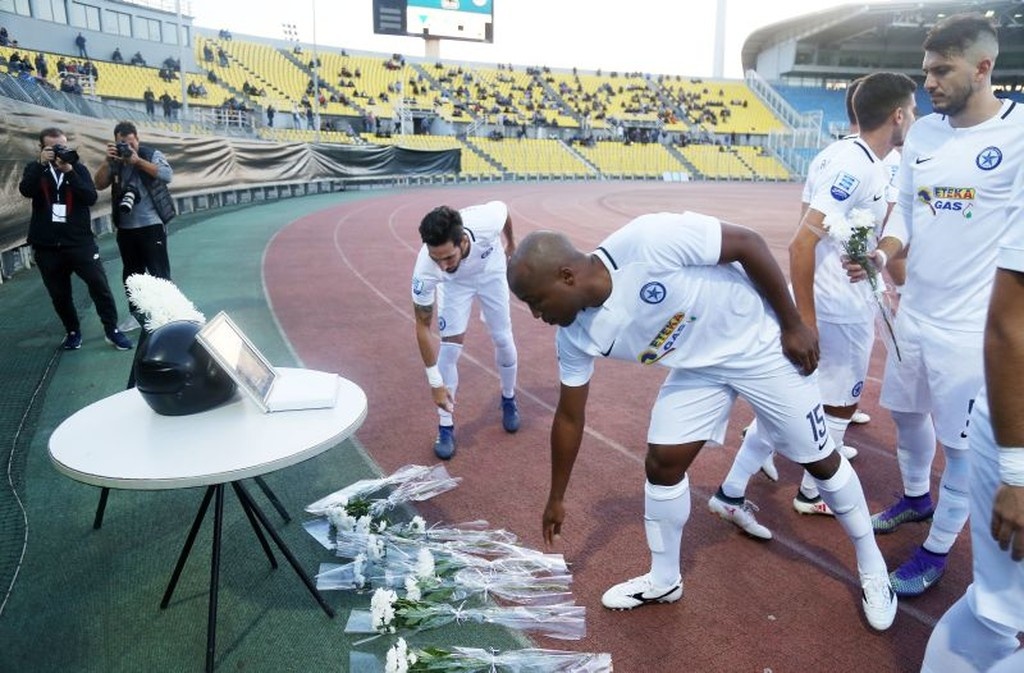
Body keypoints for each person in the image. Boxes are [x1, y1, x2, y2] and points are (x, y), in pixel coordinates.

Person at [507, 217, 897, 631]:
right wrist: (557, 496)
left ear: (566, 276)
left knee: (820, 462)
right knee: (662, 463)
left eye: (536, 301)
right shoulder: (574, 335)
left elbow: (749, 241)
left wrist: (792, 323)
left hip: (759, 345)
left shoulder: (648, 241)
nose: (536, 315)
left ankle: (874, 569)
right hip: (700, 367)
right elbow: (569, 416)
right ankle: (664, 580)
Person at [845, 13, 1024, 597]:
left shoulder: (1019, 136)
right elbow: (906, 219)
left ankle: (938, 548)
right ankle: (917, 498)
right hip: (913, 314)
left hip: (971, 333)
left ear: (983, 67)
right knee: (906, 415)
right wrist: (881, 253)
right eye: (926, 72)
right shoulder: (922, 137)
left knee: (962, 447)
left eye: (943, 70)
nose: (931, 83)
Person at [721, 72, 917, 519]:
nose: (916, 119)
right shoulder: (859, 165)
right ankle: (812, 492)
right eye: (914, 111)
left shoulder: (838, 153)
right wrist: (803, 321)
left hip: (832, 299)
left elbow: (818, 227)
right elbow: (801, 242)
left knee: (791, 396)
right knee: (842, 400)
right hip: (837, 307)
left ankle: (732, 489)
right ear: (899, 115)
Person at [920, 161, 1024, 673]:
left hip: (1002, 425)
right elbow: (1008, 326)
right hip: (1013, 430)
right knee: (997, 609)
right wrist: (1017, 473)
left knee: (995, 610)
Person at [412, 203, 521, 459]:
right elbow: (422, 327)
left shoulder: (487, 220)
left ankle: (508, 399)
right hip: (455, 286)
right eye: (435, 258)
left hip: (491, 273)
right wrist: (435, 383)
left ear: (462, 241)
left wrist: (511, 243)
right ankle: (445, 426)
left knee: (503, 339)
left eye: (448, 257)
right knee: (449, 349)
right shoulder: (428, 269)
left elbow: (504, 211)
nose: (442, 265)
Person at [18, 127, 132, 351]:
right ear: (42, 149)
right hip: (47, 245)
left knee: (100, 285)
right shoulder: (35, 169)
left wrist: (69, 171)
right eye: (52, 148)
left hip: (79, 241)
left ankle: (112, 329)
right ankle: (72, 332)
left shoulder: (77, 168)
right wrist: (41, 165)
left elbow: (90, 197)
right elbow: (26, 191)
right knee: (59, 294)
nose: (59, 151)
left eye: (63, 146)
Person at [94, 121, 176, 328]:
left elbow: (167, 175)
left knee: (159, 272)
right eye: (122, 144)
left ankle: (168, 312)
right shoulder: (114, 160)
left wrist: (137, 161)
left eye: (131, 143)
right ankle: (137, 315)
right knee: (132, 274)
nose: (127, 148)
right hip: (126, 228)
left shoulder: (150, 154)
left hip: (152, 225)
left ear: (137, 139)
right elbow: (99, 184)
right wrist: (107, 161)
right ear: (115, 142)